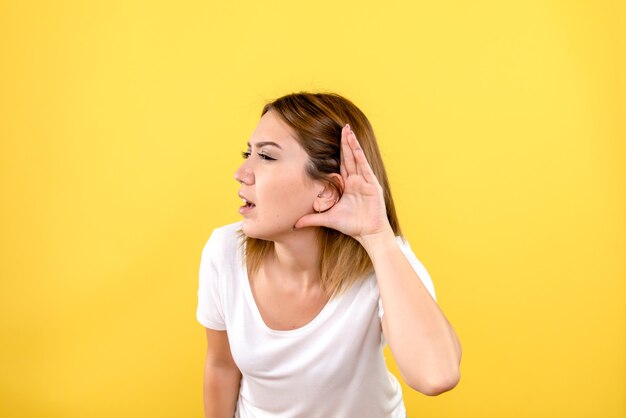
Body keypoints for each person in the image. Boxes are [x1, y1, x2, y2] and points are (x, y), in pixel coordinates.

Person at [196, 92, 462, 418]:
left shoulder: (386, 259)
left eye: (266, 157)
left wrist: (378, 238)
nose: (241, 172)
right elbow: (221, 366)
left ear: (324, 191)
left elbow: (437, 375)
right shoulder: (224, 252)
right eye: (248, 152)